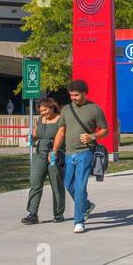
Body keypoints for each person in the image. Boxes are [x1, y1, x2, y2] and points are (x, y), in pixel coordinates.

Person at [62, 79, 109, 234]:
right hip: (69, 153)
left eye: (76, 95)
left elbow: (105, 130)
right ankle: (87, 206)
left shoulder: (94, 109)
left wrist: (92, 137)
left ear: (84, 93)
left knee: (80, 187)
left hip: (86, 153)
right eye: (71, 95)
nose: (73, 98)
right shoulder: (66, 109)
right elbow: (61, 131)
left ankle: (79, 221)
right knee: (69, 185)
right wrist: (54, 150)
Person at [23, 97, 66, 224]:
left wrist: (54, 151)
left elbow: (61, 135)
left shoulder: (60, 119)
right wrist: (32, 137)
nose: (43, 113)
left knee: (56, 185)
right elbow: (37, 135)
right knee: (35, 184)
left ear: (52, 107)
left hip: (55, 155)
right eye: (41, 111)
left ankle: (58, 214)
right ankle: (32, 214)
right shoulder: (41, 119)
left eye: (45, 110)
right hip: (39, 154)